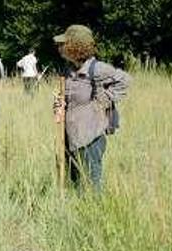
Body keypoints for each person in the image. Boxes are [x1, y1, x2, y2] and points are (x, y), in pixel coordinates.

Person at [53, 24, 130, 192]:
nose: (60, 47)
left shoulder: (97, 69)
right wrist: (58, 105)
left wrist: (102, 100)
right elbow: (67, 99)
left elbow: (124, 80)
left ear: (74, 46)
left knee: (91, 186)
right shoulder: (69, 70)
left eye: (63, 44)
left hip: (90, 138)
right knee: (74, 183)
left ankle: (94, 215)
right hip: (71, 136)